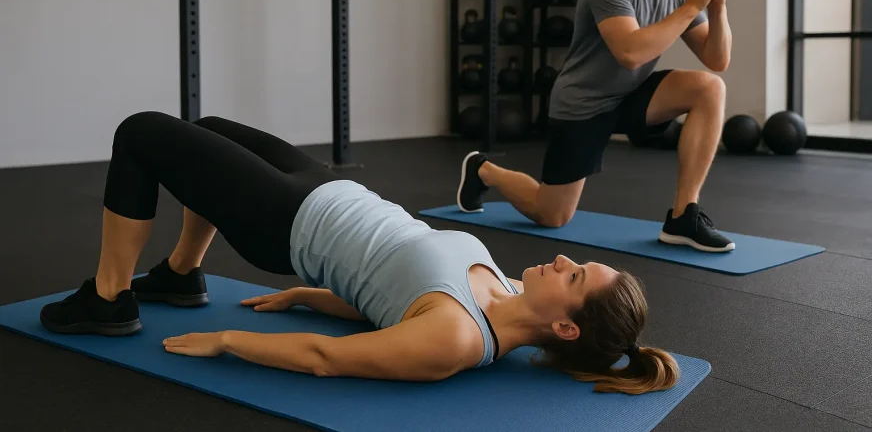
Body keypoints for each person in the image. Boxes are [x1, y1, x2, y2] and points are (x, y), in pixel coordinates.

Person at [40, 111, 678, 393]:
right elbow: (389, 303)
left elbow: (329, 359)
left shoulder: (457, 340)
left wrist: (229, 341)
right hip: (330, 189)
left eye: (575, 275)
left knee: (141, 133)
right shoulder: (509, 291)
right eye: (576, 262)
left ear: (565, 324)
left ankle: (107, 299)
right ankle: (181, 275)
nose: (564, 261)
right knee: (204, 131)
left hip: (284, 221)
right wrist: (310, 298)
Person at [457, 0, 735, 253]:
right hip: (583, 105)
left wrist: (717, 11)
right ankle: (483, 170)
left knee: (709, 87)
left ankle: (684, 215)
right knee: (552, 214)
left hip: (631, 94)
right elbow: (631, 53)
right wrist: (691, 8)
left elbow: (717, 60)